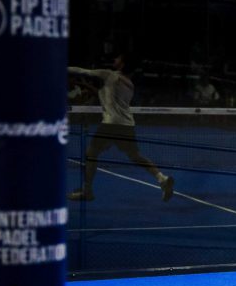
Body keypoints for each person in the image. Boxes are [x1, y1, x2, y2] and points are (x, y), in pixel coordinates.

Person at [67, 53, 174, 202]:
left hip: (110, 124)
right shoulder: (130, 85)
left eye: (118, 58)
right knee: (135, 156)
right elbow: (106, 96)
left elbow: (82, 71)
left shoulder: (109, 75)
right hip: (127, 125)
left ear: (122, 64)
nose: (115, 59)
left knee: (90, 154)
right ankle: (162, 178)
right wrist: (86, 86)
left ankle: (87, 191)